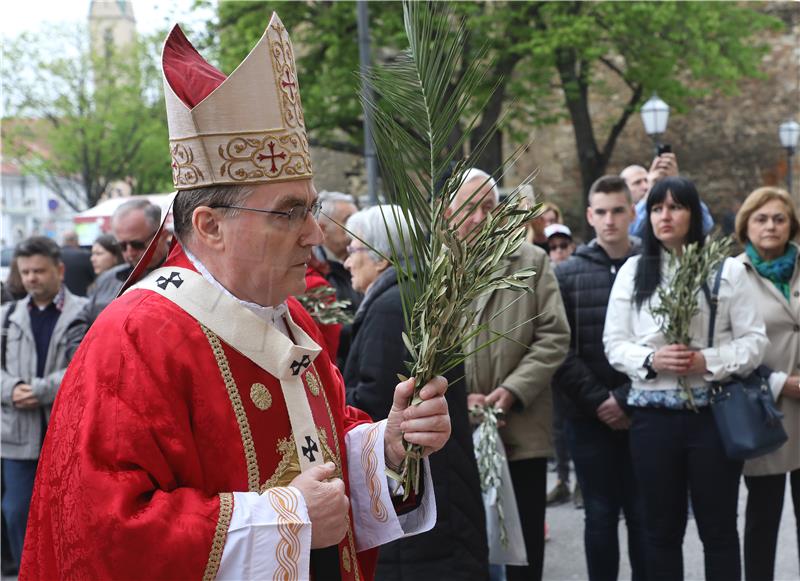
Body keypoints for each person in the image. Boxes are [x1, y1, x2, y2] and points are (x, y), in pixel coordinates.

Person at [20, 15, 450, 581]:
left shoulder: (288, 315)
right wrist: (286, 520)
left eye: (312, 208)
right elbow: (102, 530)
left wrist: (388, 447)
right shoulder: (137, 335)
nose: (315, 234)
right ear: (210, 225)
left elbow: (315, 454)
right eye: (288, 213)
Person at [604, 176, 768, 581]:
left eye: (675, 207)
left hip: (712, 416)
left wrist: (706, 360)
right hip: (652, 422)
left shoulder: (726, 270)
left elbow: (754, 342)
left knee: (719, 531)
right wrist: (651, 357)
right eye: (657, 208)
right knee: (660, 532)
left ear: (694, 215)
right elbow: (614, 343)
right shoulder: (633, 271)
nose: (665, 216)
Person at [342, 205, 488, 580]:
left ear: (381, 256)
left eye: (352, 251)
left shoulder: (393, 309)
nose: (346, 262)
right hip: (438, 476)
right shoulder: (412, 297)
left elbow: (377, 403)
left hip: (416, 483)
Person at [451, 168, 570, 581]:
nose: (482, 218)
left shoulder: (530, 260)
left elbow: (554, 336)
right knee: (467, 550)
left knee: (523, 554)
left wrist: (512, 390)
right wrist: (456, 397)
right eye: (471, 207)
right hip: (454, 433)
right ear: (446, 211)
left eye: (489, 207)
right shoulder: (432, 270)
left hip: (520, 426)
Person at [553, 175, 646, 581]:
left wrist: (625, 397)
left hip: (644, 410)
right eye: (602, 212)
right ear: (590, 216)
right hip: (587, 416)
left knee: (644, 515)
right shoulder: (568, 274)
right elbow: (559, 346)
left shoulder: (651, 267)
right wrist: (600, 401)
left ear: (631, 213)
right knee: (600, 515)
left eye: (618, 211)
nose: (610, 220)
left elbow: (661, 340)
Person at [0, 237, 88, 570]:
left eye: (39, 270)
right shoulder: (7, 315)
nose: (32, 278)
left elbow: (83, 365)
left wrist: (37, 390)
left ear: (59, 270)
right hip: (17, 436)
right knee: (17, 511)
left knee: (68, 514)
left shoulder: (84, 311)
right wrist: (11, 389)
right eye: (25, 272)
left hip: (64, 433)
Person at [734, 186, 800, 581]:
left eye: (779, 218)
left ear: (791, 224)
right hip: (765, 408)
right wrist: (779, 382)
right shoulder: (733, 274)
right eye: (761, 218)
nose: (771, 226)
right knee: (763, 517)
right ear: (746, 225)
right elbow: (726, 342)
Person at [64, 199, 171, 358]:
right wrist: (88, 359)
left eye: (137, 244)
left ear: (162, 236)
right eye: (122, 246)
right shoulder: (108, 279)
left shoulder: (184, 275)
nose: (129, 252)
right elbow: (78, 325)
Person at [316, 191, 363, 367]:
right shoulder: (313, 274)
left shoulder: (361, 263)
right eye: (348, 221)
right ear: (322, 229)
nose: (357, 228)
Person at [624, 153, 715, 237]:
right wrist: (649, 193)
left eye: (646, 181)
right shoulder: (621, 213)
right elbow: (632, 232)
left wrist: (677, 183)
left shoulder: (667, 204)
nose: (645, 186)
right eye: (637, 183)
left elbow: (706, 225)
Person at [59, 230, 95, 297]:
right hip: (82, 301)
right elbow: (96, 278)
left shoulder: (54, 257)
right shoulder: (86, 256)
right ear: (76, 241)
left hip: (60, 301)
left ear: (63, 241)